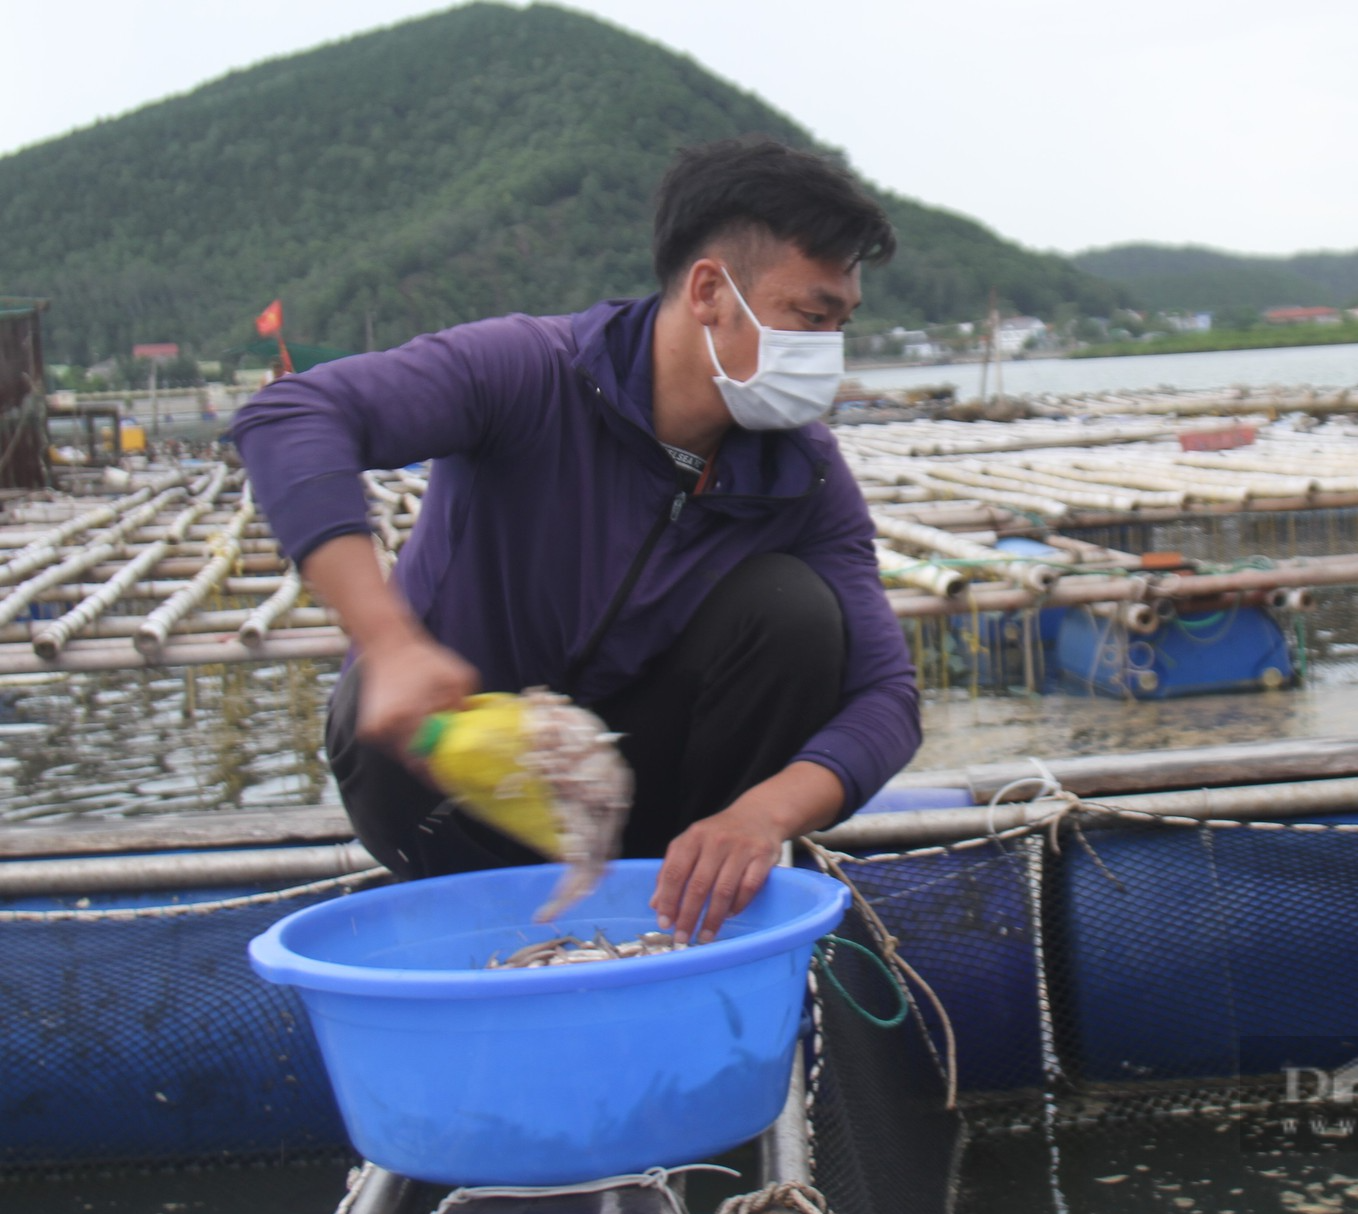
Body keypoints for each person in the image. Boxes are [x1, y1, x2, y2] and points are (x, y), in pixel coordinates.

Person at [230, 137, 921, 944]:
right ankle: (485, 921)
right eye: (810, 316)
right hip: (443, 770)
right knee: (370, 704)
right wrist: (388, 643)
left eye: (840, 322)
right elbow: (291, 416)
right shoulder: (530, 371)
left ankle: (685, 895)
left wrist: (764, 813)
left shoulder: (801, 473)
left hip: (645, 803)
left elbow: (887, 697)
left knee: (795, 612)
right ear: (708, 290)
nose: (826, 351)